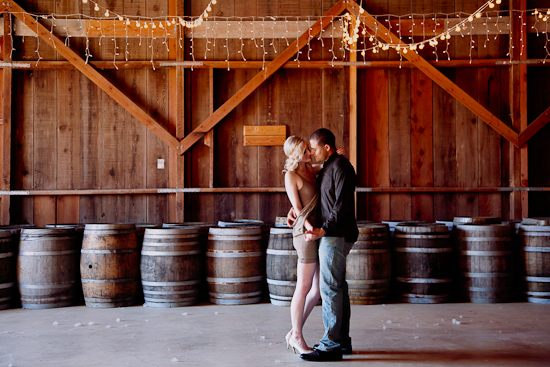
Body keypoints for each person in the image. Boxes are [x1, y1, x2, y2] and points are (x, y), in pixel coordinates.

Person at [288, 128, 358, 362]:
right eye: (308, 149)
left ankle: (331, 345)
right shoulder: (326, 166)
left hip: (334, 234)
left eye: (314, 148)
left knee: (329, 288)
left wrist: (323, 229)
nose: (311, 152)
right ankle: (341, 340)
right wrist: (296, 212)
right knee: (336, 286)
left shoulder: (339, 167)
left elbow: (341, 205)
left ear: (326, 148)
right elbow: (310, 197)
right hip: (326, 233)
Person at [282, 136, 322, 355]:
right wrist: (309, 227)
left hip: (317, 233)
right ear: (295, 154)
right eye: (306, 150)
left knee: (316, 291)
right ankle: (297, 335)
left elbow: (328, 161)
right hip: (304, 234)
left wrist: (339, 152)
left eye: (309, 148)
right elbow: (297, 208)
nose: (310, 152)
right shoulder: (291, 176)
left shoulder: (312, 170)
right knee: (304, 287)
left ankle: (293, 331)